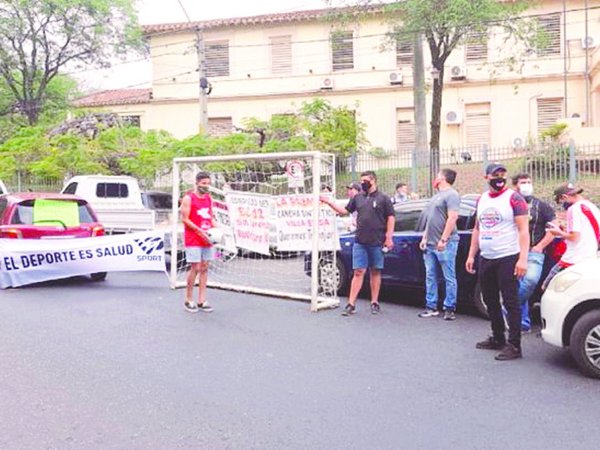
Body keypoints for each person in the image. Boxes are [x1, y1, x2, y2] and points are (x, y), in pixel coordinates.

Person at [466, 163, 529, 361]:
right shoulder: (482, 199)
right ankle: (498, 337)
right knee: (490, 300)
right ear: (486, 177)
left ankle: (514, 345)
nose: (499, 177)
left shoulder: (514, 198)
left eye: (502, 174)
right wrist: (471, 255)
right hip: (487, 257)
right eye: (495, 174)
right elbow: (478, 228)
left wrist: (523, 259)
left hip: (508, 257)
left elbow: (523, 230)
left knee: (510, 302)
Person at [321, 171, 395, 316]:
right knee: (358, 271)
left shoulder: (383, 198)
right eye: (361, 181)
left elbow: (391, 218)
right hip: (360, 241)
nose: (362, 183)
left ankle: (374, 302)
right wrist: (329, 202)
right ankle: (351, 303)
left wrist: (389, 237)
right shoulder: (358, 198)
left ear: (373, 181)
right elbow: (344, 211)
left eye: (365, 181)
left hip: (377, 241)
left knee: (375, 270)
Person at [510, 173, 556, 332]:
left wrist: (540, 246)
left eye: (529, 182)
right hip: (513, 251)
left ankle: (509, 308)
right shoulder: (509, 203)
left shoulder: (541, 206)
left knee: (529, 281)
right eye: (523, 182)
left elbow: (554, 228)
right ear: (515, 185)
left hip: (534, 251)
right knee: (517, 283)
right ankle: (522, 323)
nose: (527, 184)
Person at [418, 169, 460, 321]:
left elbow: (452, 217)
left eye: (438, 175)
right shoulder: (436, 197)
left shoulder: (452, 195)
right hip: (430, 244)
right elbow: (430, 220)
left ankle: (449, 308)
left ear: (443, 178)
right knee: (430, 276)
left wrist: (443, 239)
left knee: (449, 276)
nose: (435, 178)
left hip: (446, 243)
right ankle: (431, 306)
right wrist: (425, 238)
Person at [541, 183, 600, 290]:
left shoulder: (574, 209)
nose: (562, 206)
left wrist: (558, 232)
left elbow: (574, 237)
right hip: (589, 256)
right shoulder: (592, 207)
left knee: (547, 287)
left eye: (560, 202)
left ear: (564, 197)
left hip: (572, 258)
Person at [180, 171, 216, 313]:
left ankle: (202, 300)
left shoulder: (209, 198)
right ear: (197, 183)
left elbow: (210, 217)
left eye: (208, 184)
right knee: (195, 267)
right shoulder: (188, 198)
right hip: (194, 237)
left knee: (205, 266)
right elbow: (185, 218)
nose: (206, 186)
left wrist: (217, 228)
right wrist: (198, 229)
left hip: (207, 237)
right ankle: (188, 299)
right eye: (203, 184)